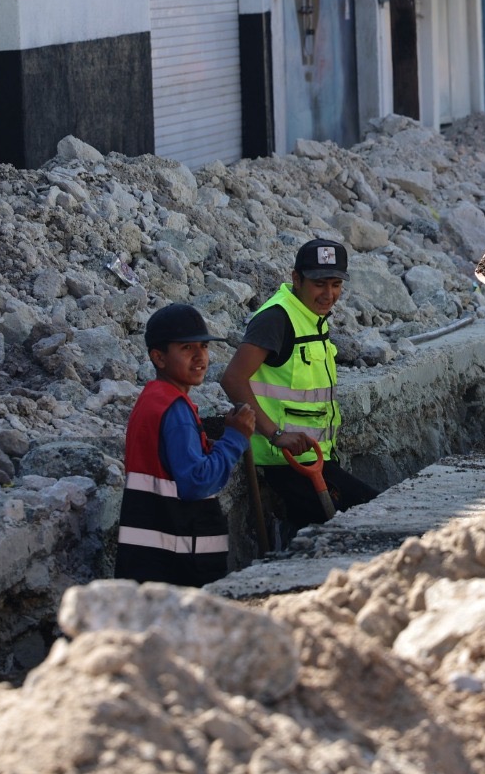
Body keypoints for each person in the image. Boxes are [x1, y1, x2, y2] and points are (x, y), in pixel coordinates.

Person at [221, 238, 379, 533]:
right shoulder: (277, 318)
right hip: (287, 465)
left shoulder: (312, 317)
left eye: (336, 285)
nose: (328, 294)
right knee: (374, 515)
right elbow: (233, 378)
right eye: (320, 284)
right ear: (296, 278)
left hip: (316, 459)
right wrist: (275, 434)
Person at [113, 302, 255, 587]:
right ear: (159, 357)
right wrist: (235, 439)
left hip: (150, 560)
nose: (200, 357)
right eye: (187, 349)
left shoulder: (152, 399)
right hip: (178, 562)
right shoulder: (175, 409)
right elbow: (196, 482)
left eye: (203, 347)